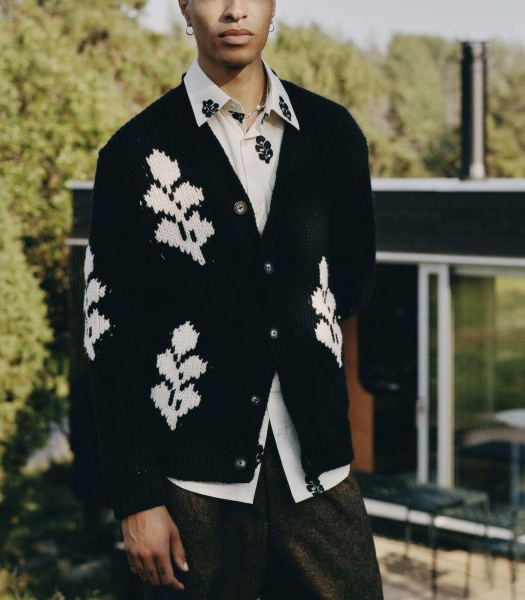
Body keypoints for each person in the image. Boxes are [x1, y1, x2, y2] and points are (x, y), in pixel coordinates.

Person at [82, 1, 384, 598]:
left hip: (318, 474)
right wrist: (137, 497)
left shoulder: (332, 135)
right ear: (184, 7)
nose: (234, 10)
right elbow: (108, 338)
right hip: (195, 490)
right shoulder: (134, 153)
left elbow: (351, 282)